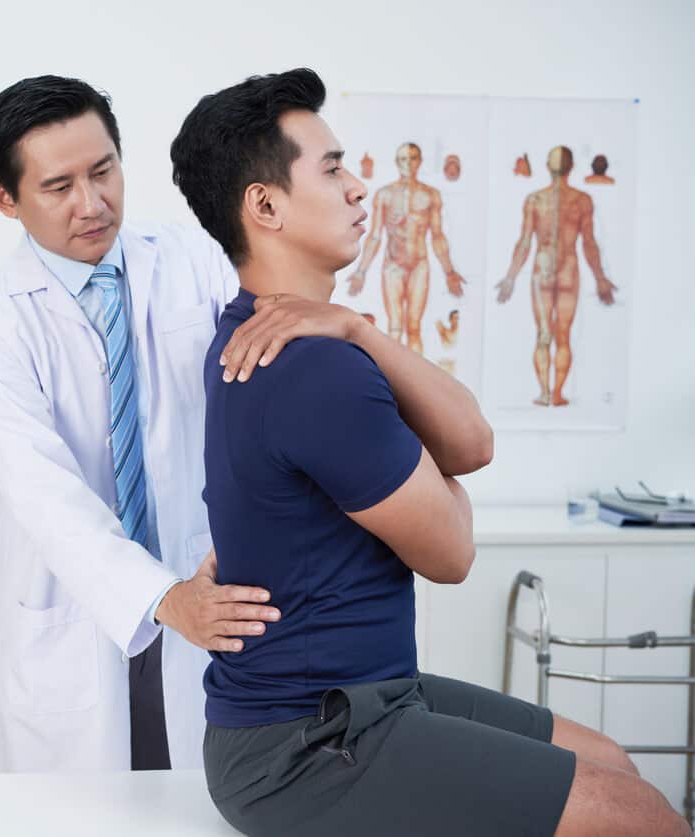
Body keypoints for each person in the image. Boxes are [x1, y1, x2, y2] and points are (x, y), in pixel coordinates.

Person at [170, 68, 686, 837]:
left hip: (369, 695)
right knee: (641, 815)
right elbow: (452, 550)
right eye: (334, 167)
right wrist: (427, 456)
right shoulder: (308, 367)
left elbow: (472, 440)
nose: (358, 187)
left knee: (614, 761)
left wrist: (362, 329)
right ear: (265, 204)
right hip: (306, 743)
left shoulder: (283, 333)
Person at [0, 76, 361, 773]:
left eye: (103, 170)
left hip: (211, 586)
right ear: (5, 198)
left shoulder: (192, 259)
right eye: (59, 186)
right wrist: (165, 597)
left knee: (203, 802)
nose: (93, 202)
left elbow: (279, 357)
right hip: (80, 613)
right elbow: (44, 496)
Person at [496, 146, 618, 407]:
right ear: (572, 167)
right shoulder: (580, 200)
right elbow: (588, 243)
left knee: (545, 333)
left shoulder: (536, 199)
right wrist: (600, 278)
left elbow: (526, 242)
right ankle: (556, 393)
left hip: (544, 269)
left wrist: (511, 278)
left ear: (547, 167)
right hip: (567, 270)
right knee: (560, 334)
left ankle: (545, 393)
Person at [346, 142, 466, 355]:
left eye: (412, 158)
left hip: (419, 264)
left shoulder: (431, 195)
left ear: (419, 161)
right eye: (403, 159)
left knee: (414, 328)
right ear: (396, 162)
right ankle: (392, 387)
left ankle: (414, 386)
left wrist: (449, 271)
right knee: (394, 328)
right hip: (393, 266)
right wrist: (361, 272)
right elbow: (375, 236)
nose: (408, 164)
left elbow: (437, 236)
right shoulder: (384, 195)